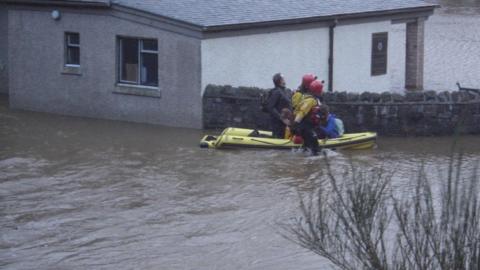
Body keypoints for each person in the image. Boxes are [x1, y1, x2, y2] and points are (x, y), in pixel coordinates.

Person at [290, 80, 324, 155]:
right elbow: (302, 112)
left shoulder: (312, 99)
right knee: (316, 149)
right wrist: (295, 124)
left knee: (307, 148)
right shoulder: (310, 100)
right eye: (321, 90)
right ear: (318, 91)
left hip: (308, 127)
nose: (322, 92)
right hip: (306, 128)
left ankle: (304, 161)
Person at [266, 73, 292, 138]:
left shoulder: (284, 91)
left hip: (285, 122)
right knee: (279, 136)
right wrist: (282, 118)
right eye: (283, 78)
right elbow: (270, 107)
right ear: (279, 81)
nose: (284, 79)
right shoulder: (276, 92)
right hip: (278, 122)